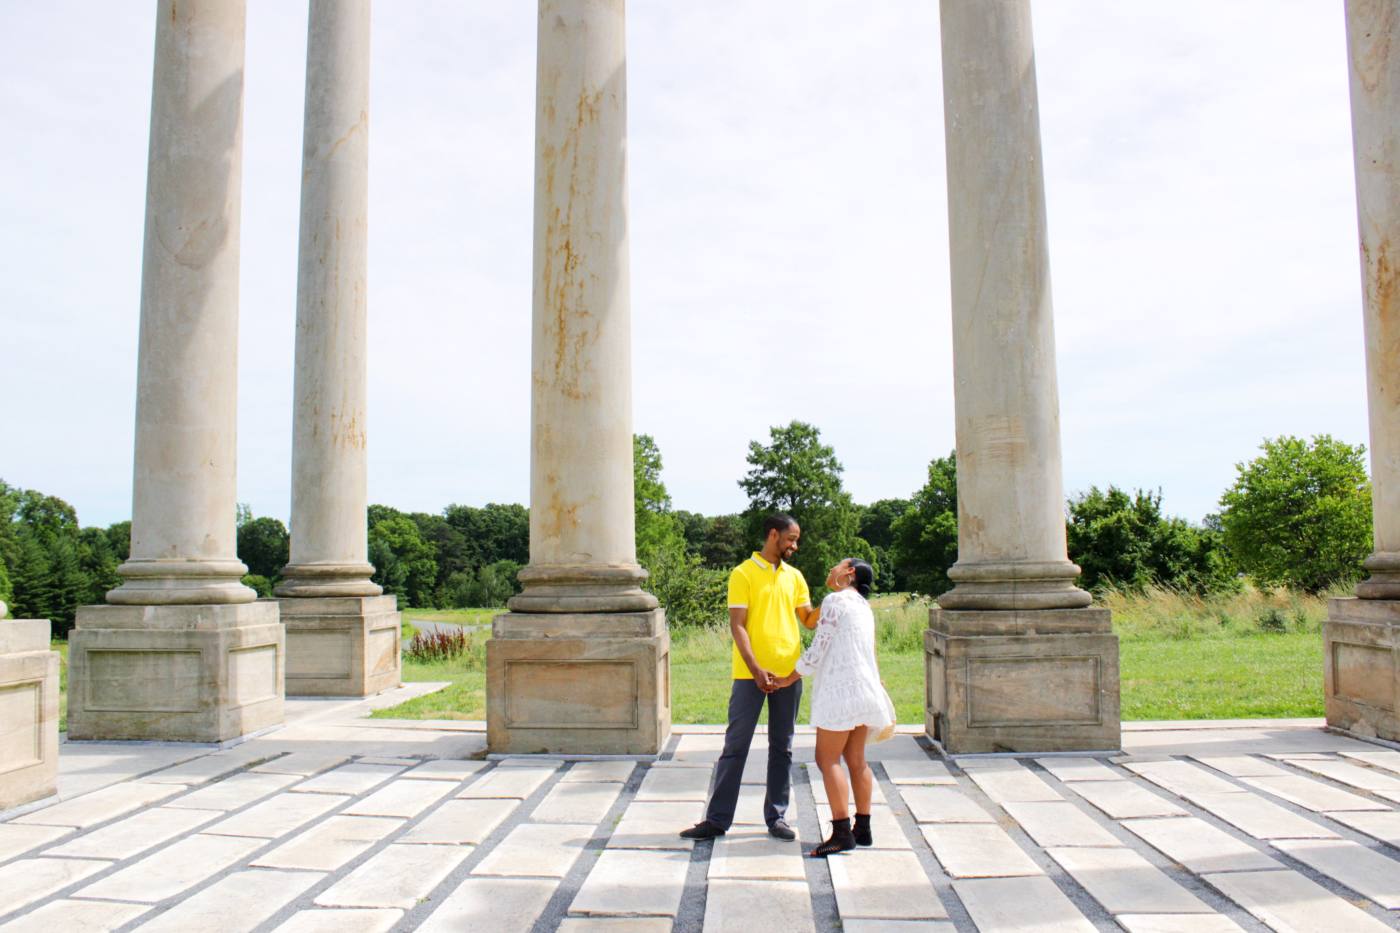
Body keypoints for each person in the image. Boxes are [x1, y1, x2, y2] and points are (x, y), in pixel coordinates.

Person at [680, 513, 817, 841]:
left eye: (796, 540)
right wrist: (756, 670)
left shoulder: (795, 577)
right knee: (735, 746)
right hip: (749, 675)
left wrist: (840, 594)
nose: (794, 546)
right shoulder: (742, 574)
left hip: (789, 675)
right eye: (791, 539)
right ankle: (716, 820)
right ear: (773, 535)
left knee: (781, 748)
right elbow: (737, 625)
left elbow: (809, 620)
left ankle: (777, 817)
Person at [773, 557, 894, 857]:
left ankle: (841, 833)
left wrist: (789, 678)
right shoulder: (864, 607)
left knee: (827, 760)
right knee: (857, 759)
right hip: (866, 689)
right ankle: (862, 829)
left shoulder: (834, 601)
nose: (830, 570)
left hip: (841, 692)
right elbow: (870, 652)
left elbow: (818, 649)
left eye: (836, 566)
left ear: (849, 573)